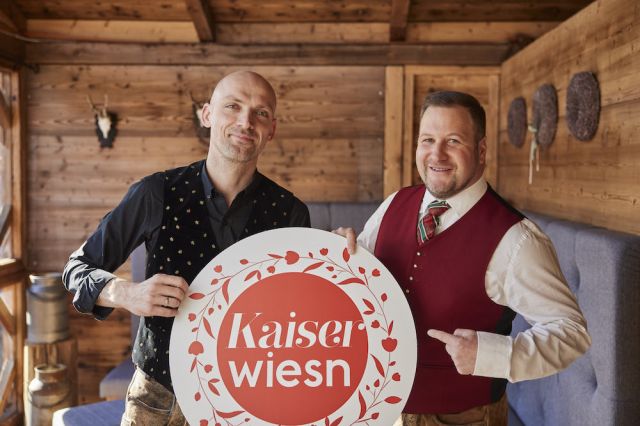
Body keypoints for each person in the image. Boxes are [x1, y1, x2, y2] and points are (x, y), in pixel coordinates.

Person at [63, 71, 310, 425]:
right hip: (158, 399)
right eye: (233, 106)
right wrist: (126, 293)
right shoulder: (154, 192)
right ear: (208, 115)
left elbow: (300, 316)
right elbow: (76, 269)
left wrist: (341, 253)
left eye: (261, 113)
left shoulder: (290, 212)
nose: (245, 121)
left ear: (272, 129)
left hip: (252, 399)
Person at [335, 91, 590, 426]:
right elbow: (360, 278)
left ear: (481, 150)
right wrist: (338, 257)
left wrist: (491, 356)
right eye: (427, 139)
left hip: (464, 418)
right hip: (376, 410)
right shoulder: (393, 204)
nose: (436, 153)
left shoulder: (517, 239)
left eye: (453, 140)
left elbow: (571, 333)